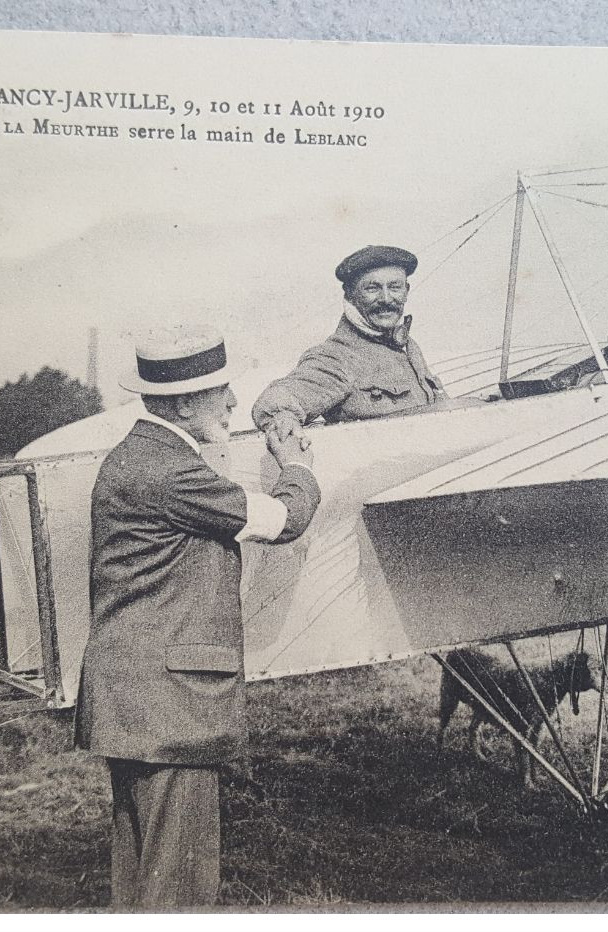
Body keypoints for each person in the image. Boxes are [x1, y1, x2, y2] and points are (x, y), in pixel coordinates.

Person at [75, 326, 321, 907]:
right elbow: (281, 520)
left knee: (143, 869)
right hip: (167, 703)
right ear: (184, 402)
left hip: (137, 698)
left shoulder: (143, 455)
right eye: (221, 392)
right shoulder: (169, 470)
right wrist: (296, 464)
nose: (234, 403)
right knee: (178, 880)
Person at [252, 245, 445, 446]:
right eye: (372, 288)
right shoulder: (339, 355)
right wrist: (284, 417)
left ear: (406, 291)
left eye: (395, 287)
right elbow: (278, 398)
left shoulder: (406, 346)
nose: (386, 299)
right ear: (351, 293)